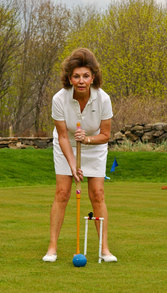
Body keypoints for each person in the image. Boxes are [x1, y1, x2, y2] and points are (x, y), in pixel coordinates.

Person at [42, 48, 117, 263]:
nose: (81, 81)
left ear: (93, 77)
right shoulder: (59, 99)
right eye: (76, 76)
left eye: (86, 76)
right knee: (62, 192)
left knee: (97, 194)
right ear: (69, 78)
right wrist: (73, 165)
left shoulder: (103, 99)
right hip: (65, 146)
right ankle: (52, 247)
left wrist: (87, 140)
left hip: (94, 144)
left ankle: (104, 249)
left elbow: (105, 135)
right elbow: (64, 136)